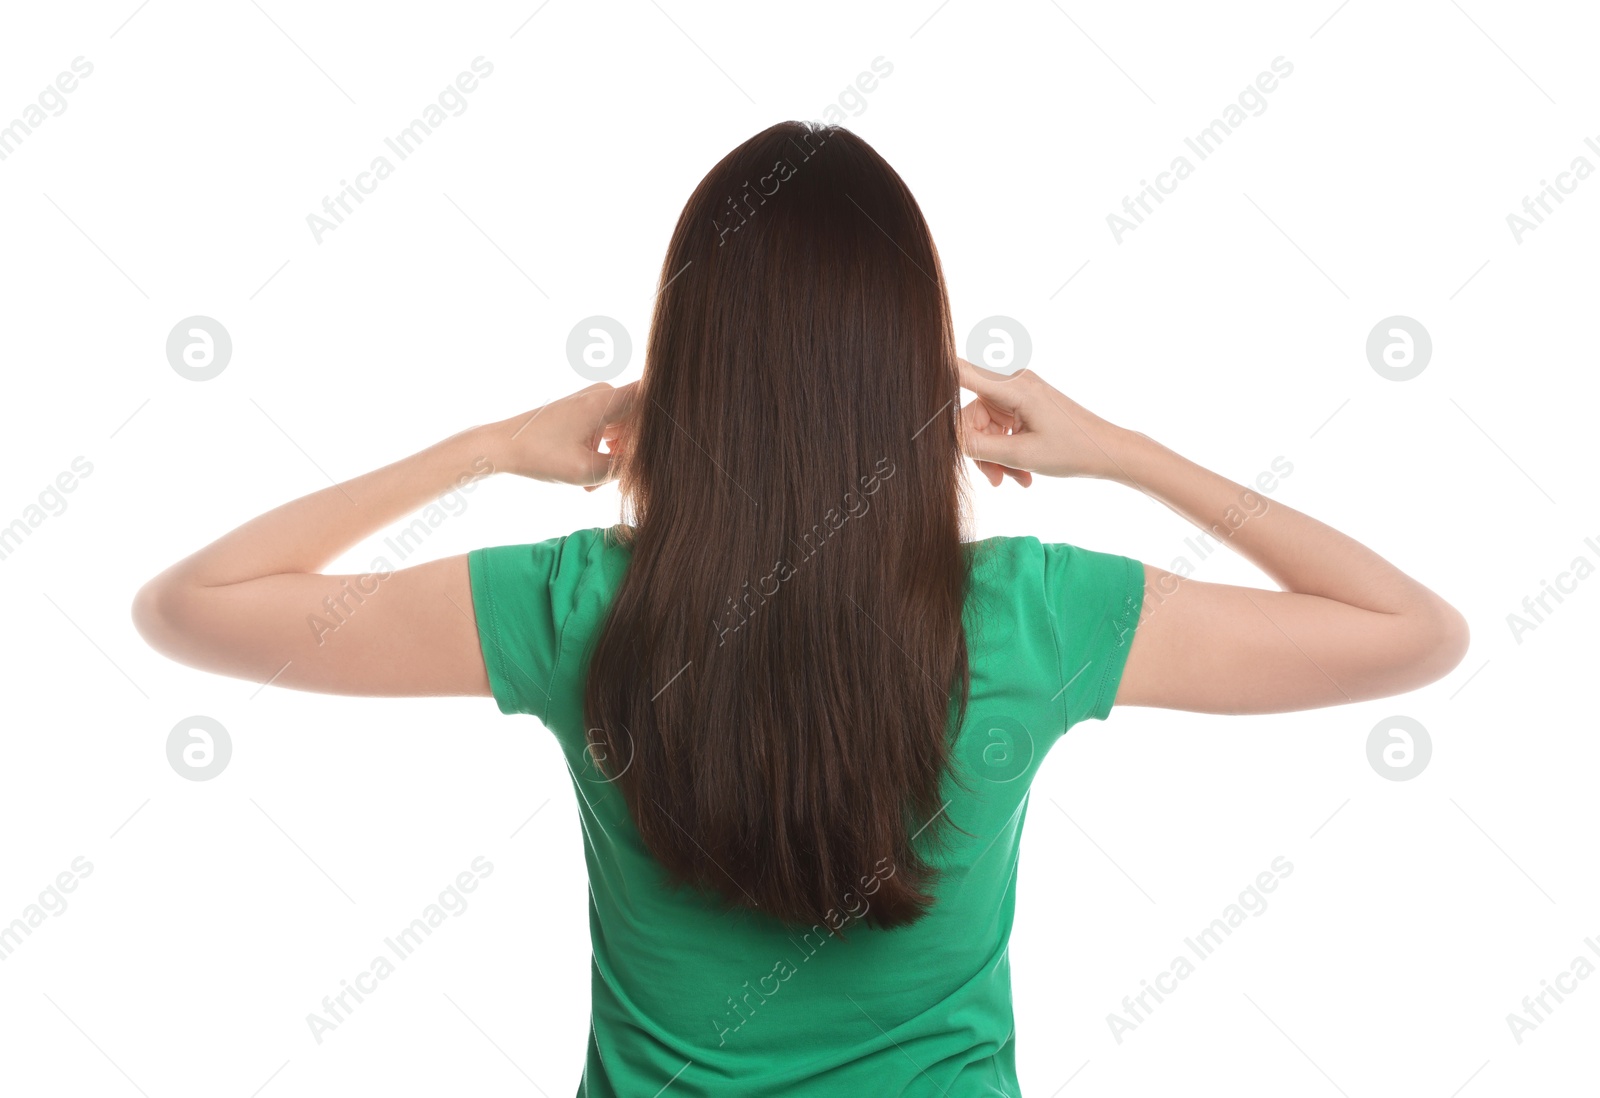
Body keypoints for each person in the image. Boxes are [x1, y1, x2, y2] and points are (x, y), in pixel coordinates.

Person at [132, 121, 1468, 1096]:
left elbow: (193, 607)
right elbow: (1414, 631)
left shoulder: (577, 605)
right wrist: (1121, 449)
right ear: (907, 374)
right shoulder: (1029, 614)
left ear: (691, 365)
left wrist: (485, 446)